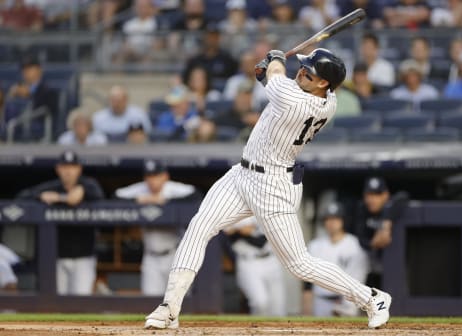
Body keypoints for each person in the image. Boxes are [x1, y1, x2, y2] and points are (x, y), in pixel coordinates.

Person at [144, 48, 392, 330]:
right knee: (198, 227)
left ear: (324, 83)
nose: (301, 72)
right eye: (302, 67)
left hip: (273, 185)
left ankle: (372, 298)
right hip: (242, 174)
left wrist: (275, 58)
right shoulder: (325, 97)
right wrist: (267, 75)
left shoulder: (297, 100)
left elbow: (277, 78)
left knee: (299, 264)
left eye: (309, 72)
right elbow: (276, 82)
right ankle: (169, 308)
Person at [17, 150, 104, 295]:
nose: (68, 171)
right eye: (64, 167)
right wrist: (40, 196)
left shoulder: (88, 185)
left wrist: (61, 197)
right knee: (54, 302)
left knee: (81, 302)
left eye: (72, 167)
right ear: (58, 169)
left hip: (83, 258)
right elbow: (21, 197)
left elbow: (95, 196)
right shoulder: (52, 186)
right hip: (55, 258)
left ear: (79, 169)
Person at [115, 159, 196, 296]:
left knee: (180, 300)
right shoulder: (142, 189)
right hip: (150, 257)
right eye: (149, 176)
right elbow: (115, 196)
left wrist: (166, 202)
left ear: (165, 176)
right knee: (151, 301)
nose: (152, 181)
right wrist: (137, 200)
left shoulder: (172, 188)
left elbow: (195, 195)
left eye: (156, 176)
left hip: (174, 255)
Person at [303, 203, 368, 317]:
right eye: (328, 219)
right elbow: (307, 281)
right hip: (320, 301)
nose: (331, 222)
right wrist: (306, 307)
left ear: (343, 220)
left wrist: (347, 304)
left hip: (347, 303)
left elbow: (358, 278)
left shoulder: (353, 244)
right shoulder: (315, 245)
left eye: (335, 218)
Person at [354, 177, 408, 290]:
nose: (372, 199)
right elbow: (361, 239)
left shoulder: (391, 207)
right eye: (369, 195)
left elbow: (403, 196)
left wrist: (386, 223)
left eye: (377, 195)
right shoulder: (362, 209)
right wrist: (373, 243)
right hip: (372, 268)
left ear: (385, 195)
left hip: (397, 267)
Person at [224, 216, 286, 316]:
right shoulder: (233, 210)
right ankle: (258, 330)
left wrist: (240, 230)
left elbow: (262, 241)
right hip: (248, 261)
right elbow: (227, 233)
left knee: (277, 306)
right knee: (260, 302)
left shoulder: (267, 208)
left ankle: (277, 331)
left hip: (271, 260)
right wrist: (241, 230)